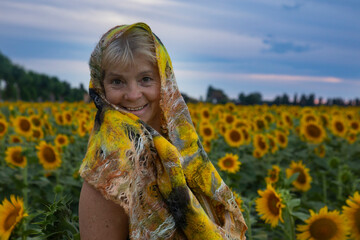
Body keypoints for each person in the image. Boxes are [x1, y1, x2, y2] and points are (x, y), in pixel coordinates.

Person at [78, 22, 247, 240]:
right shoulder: (108, 173)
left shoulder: (183, 151)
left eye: (145, 79)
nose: (132, 94)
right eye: (117, 81)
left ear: (165, 82)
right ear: (101, 88)